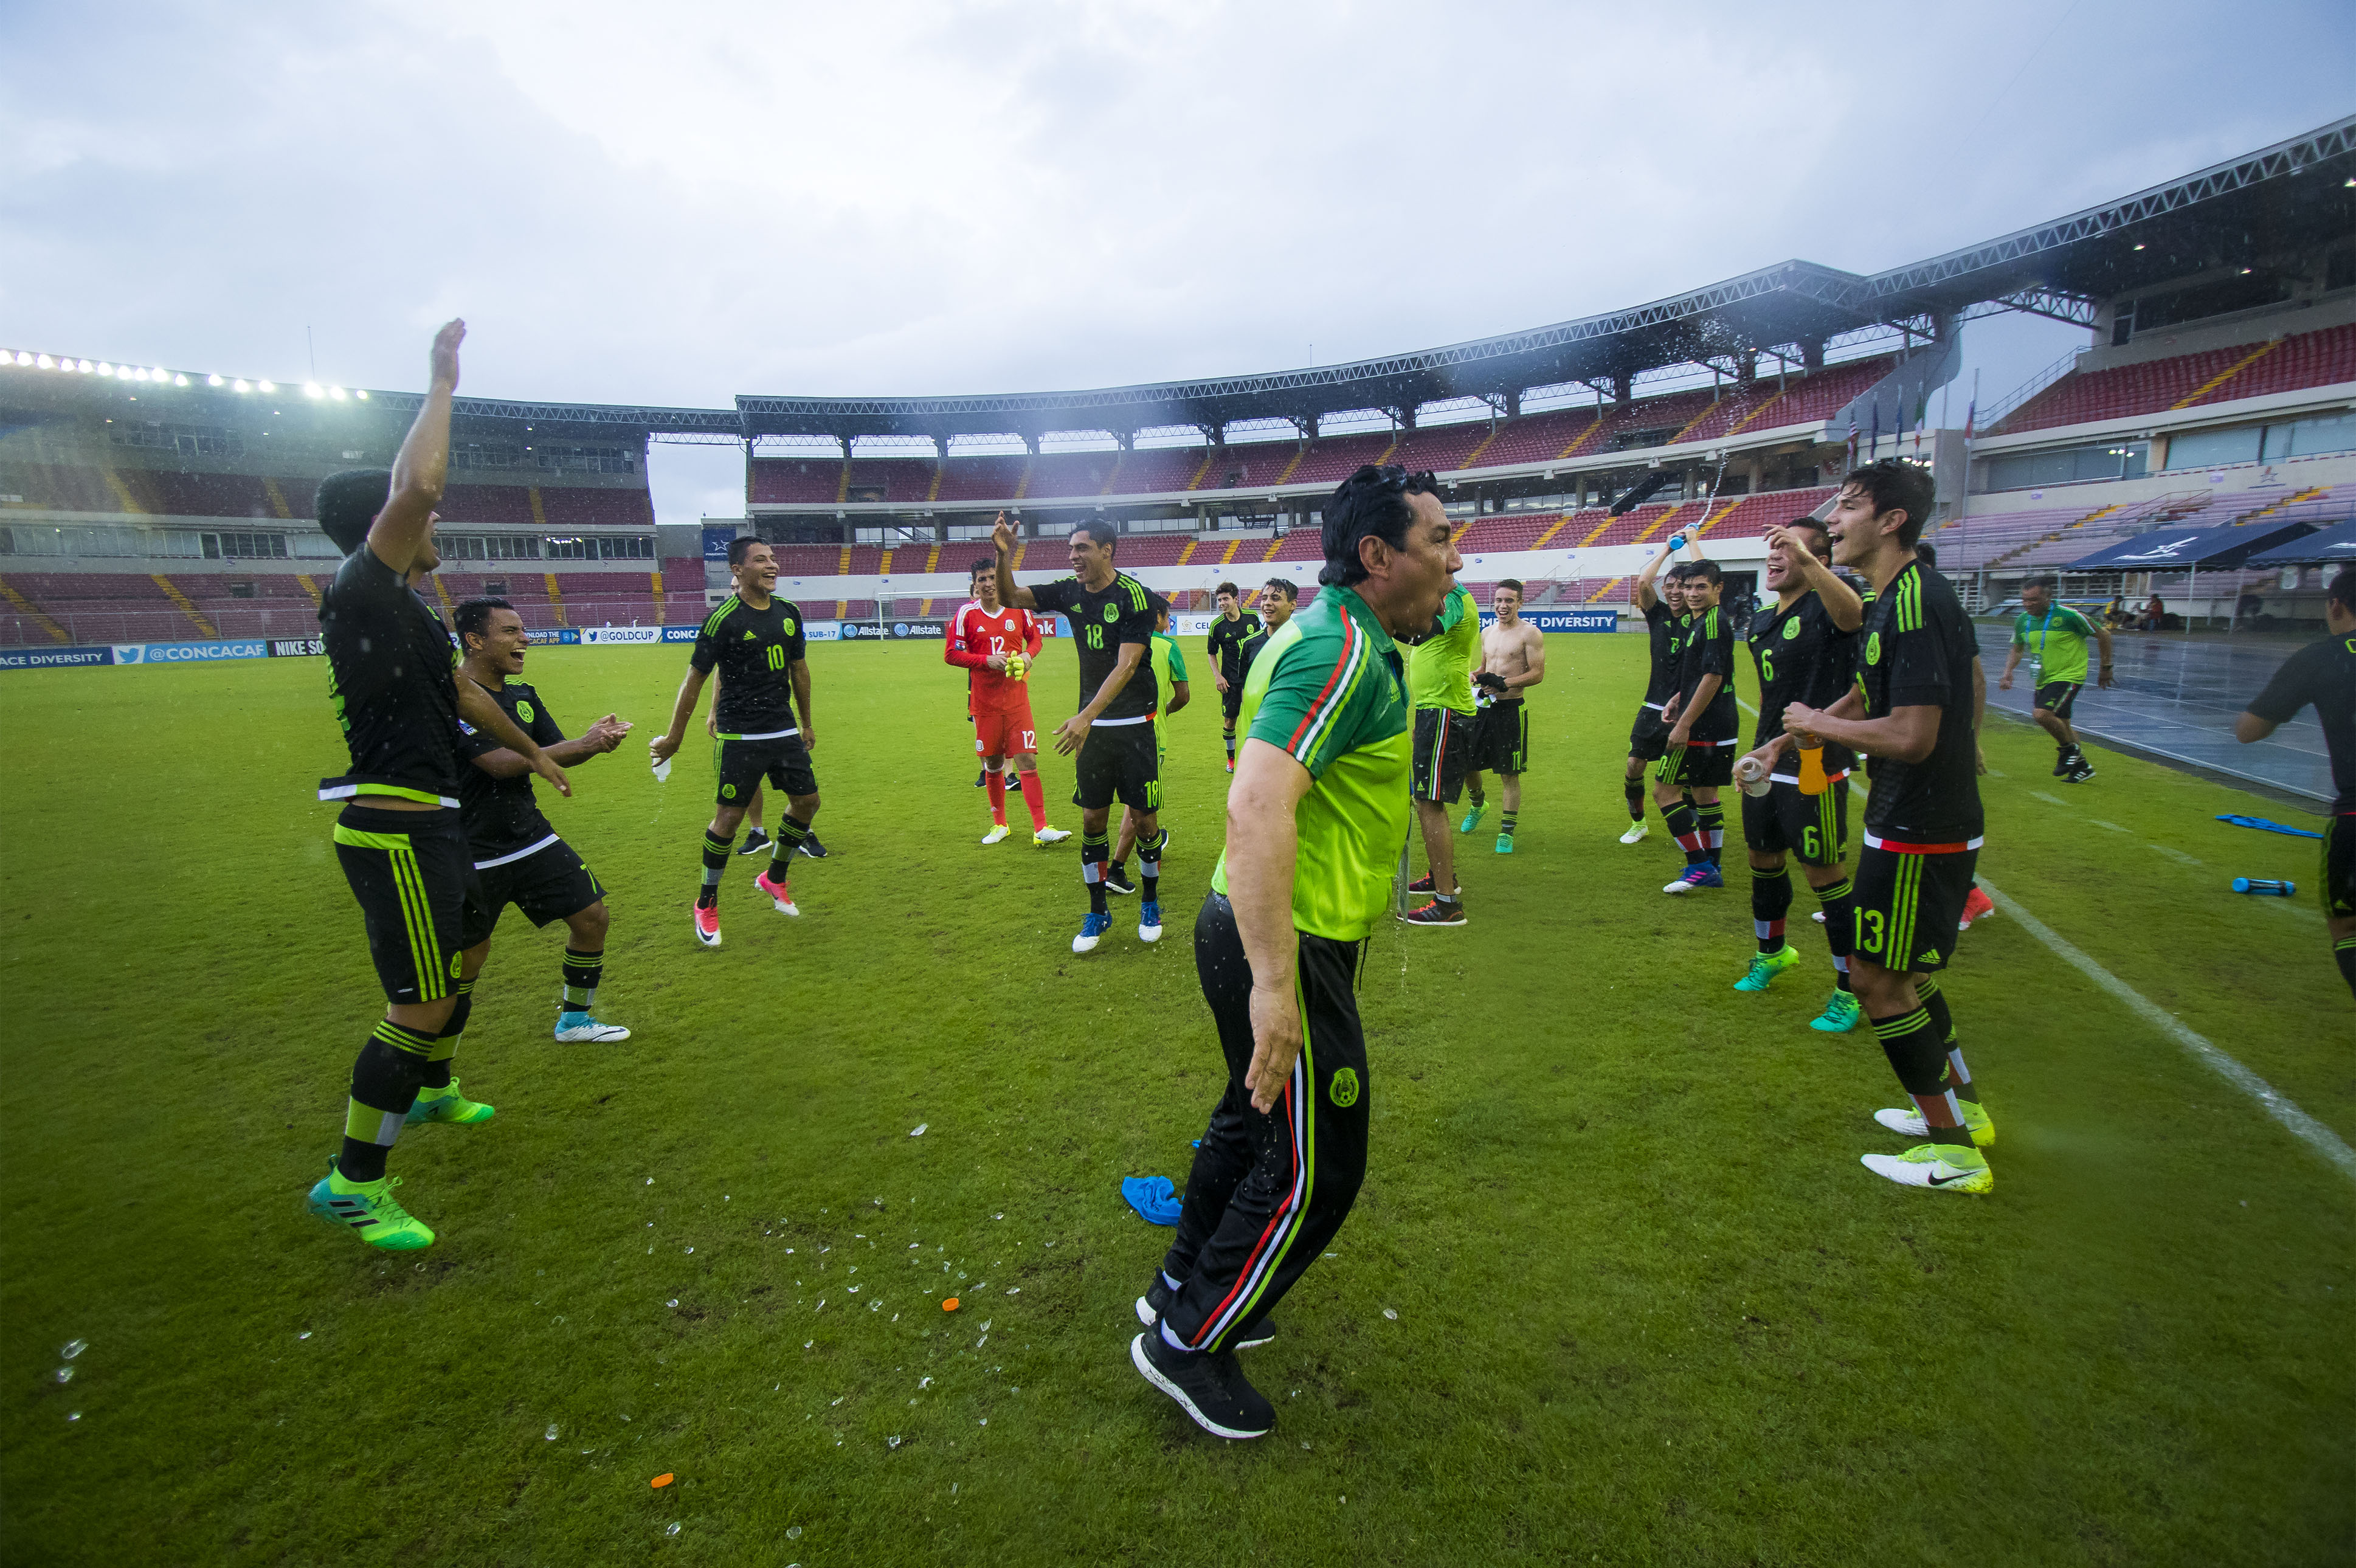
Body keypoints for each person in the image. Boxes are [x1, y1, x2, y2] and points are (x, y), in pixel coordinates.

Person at [1129, 464, 1459, 1441]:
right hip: (1283, 939)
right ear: (1376, 555)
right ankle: (1185, 1340)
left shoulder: (1333, 634)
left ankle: (1177, 1286)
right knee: (1320, 1168)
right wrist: (1278, 982)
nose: (1452, 558)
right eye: (1437, 538)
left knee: (1251, 1114)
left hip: (1260, 923)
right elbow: (1258, 800)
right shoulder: (1338, 652)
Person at [304, 320, 578, 1253]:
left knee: (465, 961)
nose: (436, 524)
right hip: (395, 827)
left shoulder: (414, 612)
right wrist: (441, 381)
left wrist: (540, 755)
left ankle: (431, 1090)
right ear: (391, 527)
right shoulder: (363, 588)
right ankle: (353, 1179)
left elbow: (465, 692)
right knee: (416, 1002)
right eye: (423, 521)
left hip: (439, 823)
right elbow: (418, 483)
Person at [1781, 459, 1996, 1195]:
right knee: (1903, 974)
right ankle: (1962, 1110)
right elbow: (1865, 692)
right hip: (1908, 819)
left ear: (1891, 519)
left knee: (1875, 981)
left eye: (1845, 507)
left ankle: (1954, 1149)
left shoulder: (1912, 600)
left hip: (1920, 826)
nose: (1831, 521)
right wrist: (1787, 739)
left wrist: (1813, 724)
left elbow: (1911, 736)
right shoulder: (1896, 596)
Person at [452, 598, 634, 1044]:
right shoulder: (452, 699)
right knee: (467, 957)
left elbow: (556, 753)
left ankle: (574, 1021)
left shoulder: (522, 696)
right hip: (471, 849)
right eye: (510, 631)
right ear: (475, 640)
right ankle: (432, 1061)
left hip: (529, 835)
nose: (524, 639)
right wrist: (585, 744)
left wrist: (593, 742)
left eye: (522, 630)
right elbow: (499, 763)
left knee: (592, 917)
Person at [992, 515, 1168, 953]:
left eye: (1082, 549)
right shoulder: (1069, 591)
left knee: (1144, 821)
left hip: (1133, 726)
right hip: (1091, 728)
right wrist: (1003, 554)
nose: (1073, 557)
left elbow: (1126, 665)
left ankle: (1150, 902)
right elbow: (1009, 595)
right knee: (1092, 819)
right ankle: (1097, 911)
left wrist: (1085, 715)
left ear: (1107, 549)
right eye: (1071, 550)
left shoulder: (1134, 596)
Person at [648, 538, 820, 947]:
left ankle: (773, 876)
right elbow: (696, 678)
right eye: (761, 560)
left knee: (808, 802)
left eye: (774, 558)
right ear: (738, 570)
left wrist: (806, 722)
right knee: (728, 818)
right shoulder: (722, 619)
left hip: (781, 728)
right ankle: (706, 901)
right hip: (739, 734)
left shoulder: (789, 613)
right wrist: (674, 737)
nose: (772, 565)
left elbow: (799, 668)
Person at [1730, 520, 1867, 1032]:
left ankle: (1849, 987)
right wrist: (1759, 746)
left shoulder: (1834, 604)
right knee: (1763, 861)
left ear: (1818, 561)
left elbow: (1854, 626)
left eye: (1788, 550)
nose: (1774, 557)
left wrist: (1784, 743)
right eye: (1772, 550)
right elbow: (1770, 697)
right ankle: (1772, 952)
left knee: (1823, 876)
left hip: (1815, 760)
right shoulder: (1762, 621)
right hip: (1766, 759)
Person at [2234, 565, 2356, 1001]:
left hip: (2354, 814)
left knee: (2347, 923)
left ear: (2335, 604)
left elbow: (2249, 730)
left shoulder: (2321, 656)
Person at [947, 558, 1069, 846]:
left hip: (1017, 702)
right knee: (993, 764)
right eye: (982, 579)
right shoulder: (966, 614)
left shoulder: (1019, 610)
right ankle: (1000, 824)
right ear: (974, 584)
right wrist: (984, 660)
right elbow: (951, 654)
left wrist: (1028, 656)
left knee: (1027, 759)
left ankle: (1041, 828)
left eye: (992, 577)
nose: (988, 583)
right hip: (985, 705)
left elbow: (1036, 640)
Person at [1654, 559, 1739, 894]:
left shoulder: (1714, 622)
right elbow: (1704, 673)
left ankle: (1699, 864)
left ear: (1719, 589)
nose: (1692, 593)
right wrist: (1679, 696)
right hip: (1716, 721)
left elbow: (1714, 676)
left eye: (1701, 586)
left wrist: (1684, 724)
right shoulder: (1702, 621)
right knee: (1705, 796)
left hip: (1705, 725)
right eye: (1688, 587)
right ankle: (1712, 867)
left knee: (1664, 791)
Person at [1404, 573, 1482, 925]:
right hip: (1437, 709)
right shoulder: (1450, 595)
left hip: (1444, 711)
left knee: (1429, 802)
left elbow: (1424, 632)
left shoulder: (1452, 596)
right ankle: (1441, 878)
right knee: (1428, 800)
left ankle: (1447, 904)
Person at [1460, 579, 1546, 854]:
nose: (1502, 606)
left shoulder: (1530, 634)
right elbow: (1486, 666)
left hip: (1511, 711)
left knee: (1509, 774)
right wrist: (1475, 674)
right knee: (1467, 764)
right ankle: (1478, 805)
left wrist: (1504, 683)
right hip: (1484, 708)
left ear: (1520, 603)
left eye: (1509, 601)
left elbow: (1537, 673)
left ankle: (1506, 833)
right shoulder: (1487, 633)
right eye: (1498, 600)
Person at [2000, 574, 2111, 783]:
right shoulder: (2024, 620)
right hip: (2043, 678)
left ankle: (2067, 751)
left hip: (2069, 676)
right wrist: (2008, 673)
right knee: (2064, 726)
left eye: (2033, 600)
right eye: (2024, 600)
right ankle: (2082, 767)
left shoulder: (2069, 616)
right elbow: (2017, 649)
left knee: (2041, 715)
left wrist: (2106, 667)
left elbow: (2104, 634)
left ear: (2048, 598)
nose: (2028, 604)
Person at [1112, 602, 1192, 879]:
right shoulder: (1169, 647)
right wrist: (1165, 710)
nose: (1169, 622)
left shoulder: (1119, 641)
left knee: (1128, 804)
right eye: (1167, 617)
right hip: (1150, 734)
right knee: (1140, 806)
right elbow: (1183, 696)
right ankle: (1118, 868)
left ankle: (1118, 866)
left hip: (1113, 730)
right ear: (1156, 617)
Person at [1204, 581, 1261, 774]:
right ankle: (1231, 760)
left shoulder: (1253, 618)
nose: (1221, 603)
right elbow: (1211, 653)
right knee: (1230, 721)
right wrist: (1218, 676)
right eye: (1219, 600)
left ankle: (1258, 758)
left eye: (1225, 599)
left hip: (1253, 680)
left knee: (1258, 718)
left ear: (1236, 599)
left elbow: (1261, 643)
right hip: (1230, 682)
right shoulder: (1217, 626)